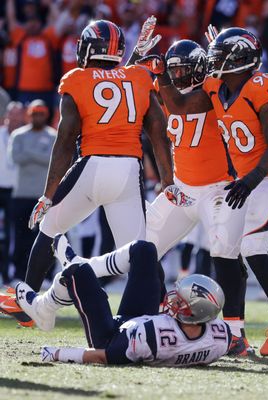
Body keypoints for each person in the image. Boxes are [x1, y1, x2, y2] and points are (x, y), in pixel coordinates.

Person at [137, 26, 268, 357]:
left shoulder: (265, 85)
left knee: (250, 248)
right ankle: (234, 333)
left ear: (240, 59)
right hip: (242, 181)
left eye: (221, 56)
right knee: (223, 251)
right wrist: (152, 66)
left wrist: (250, 178)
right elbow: (180, 105)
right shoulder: (215, 87)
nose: (214, 61)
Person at [97, 38, 252, 356]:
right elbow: (126, 84)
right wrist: (138, 55)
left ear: (199, 69)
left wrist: (162, 75)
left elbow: (183, 105)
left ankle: (235, 333)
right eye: (173, 70)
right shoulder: (161, 89)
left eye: (182, 69)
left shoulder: (212, 88)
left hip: (218, 189)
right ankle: (153, 315)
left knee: (224, 252)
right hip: (182, 188)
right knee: (142, 249)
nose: (177, 75)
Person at [22, 18, 179, 296]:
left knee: (50, 228)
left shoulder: (76, 79)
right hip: (130, 171)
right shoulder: (139, 77)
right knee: (140, 252)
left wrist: (48, 195)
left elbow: (65, 140)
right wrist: (168, 180)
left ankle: (28, 300)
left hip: (92, 166)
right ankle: (164, 306)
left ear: (88, 48)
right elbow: (158, 132)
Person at [15, 237, 232, 367]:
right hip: (143, 324)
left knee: (76, 273)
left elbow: (102, 356)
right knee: (145, 250)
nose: (173, 301)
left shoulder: (151, 337)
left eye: (180, 303)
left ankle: (43, 308)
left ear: (193, 313)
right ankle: (87, 265)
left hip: (111, 338)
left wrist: (54, 353)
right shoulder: (220, 336)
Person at [7, 100, 56, 284]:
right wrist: (39, 155)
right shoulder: (19, 135)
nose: (38, 116)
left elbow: (53, 159)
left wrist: (30, 154)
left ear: (46, 114)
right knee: (20, 237)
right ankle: (19, 275)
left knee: (45, 237)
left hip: (44, 196)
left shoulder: (53, 136)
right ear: (29, 114)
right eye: (34, 113)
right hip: (22, 194)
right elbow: (15, 157)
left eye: (41, 113)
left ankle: (46, 276)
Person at [0, 101, 25, 284]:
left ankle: (8, 274)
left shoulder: (24, 136)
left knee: (12, 234)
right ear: (6, 116)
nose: (15, 118)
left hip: (15, 191)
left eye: (18, 115)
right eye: (13, 114)